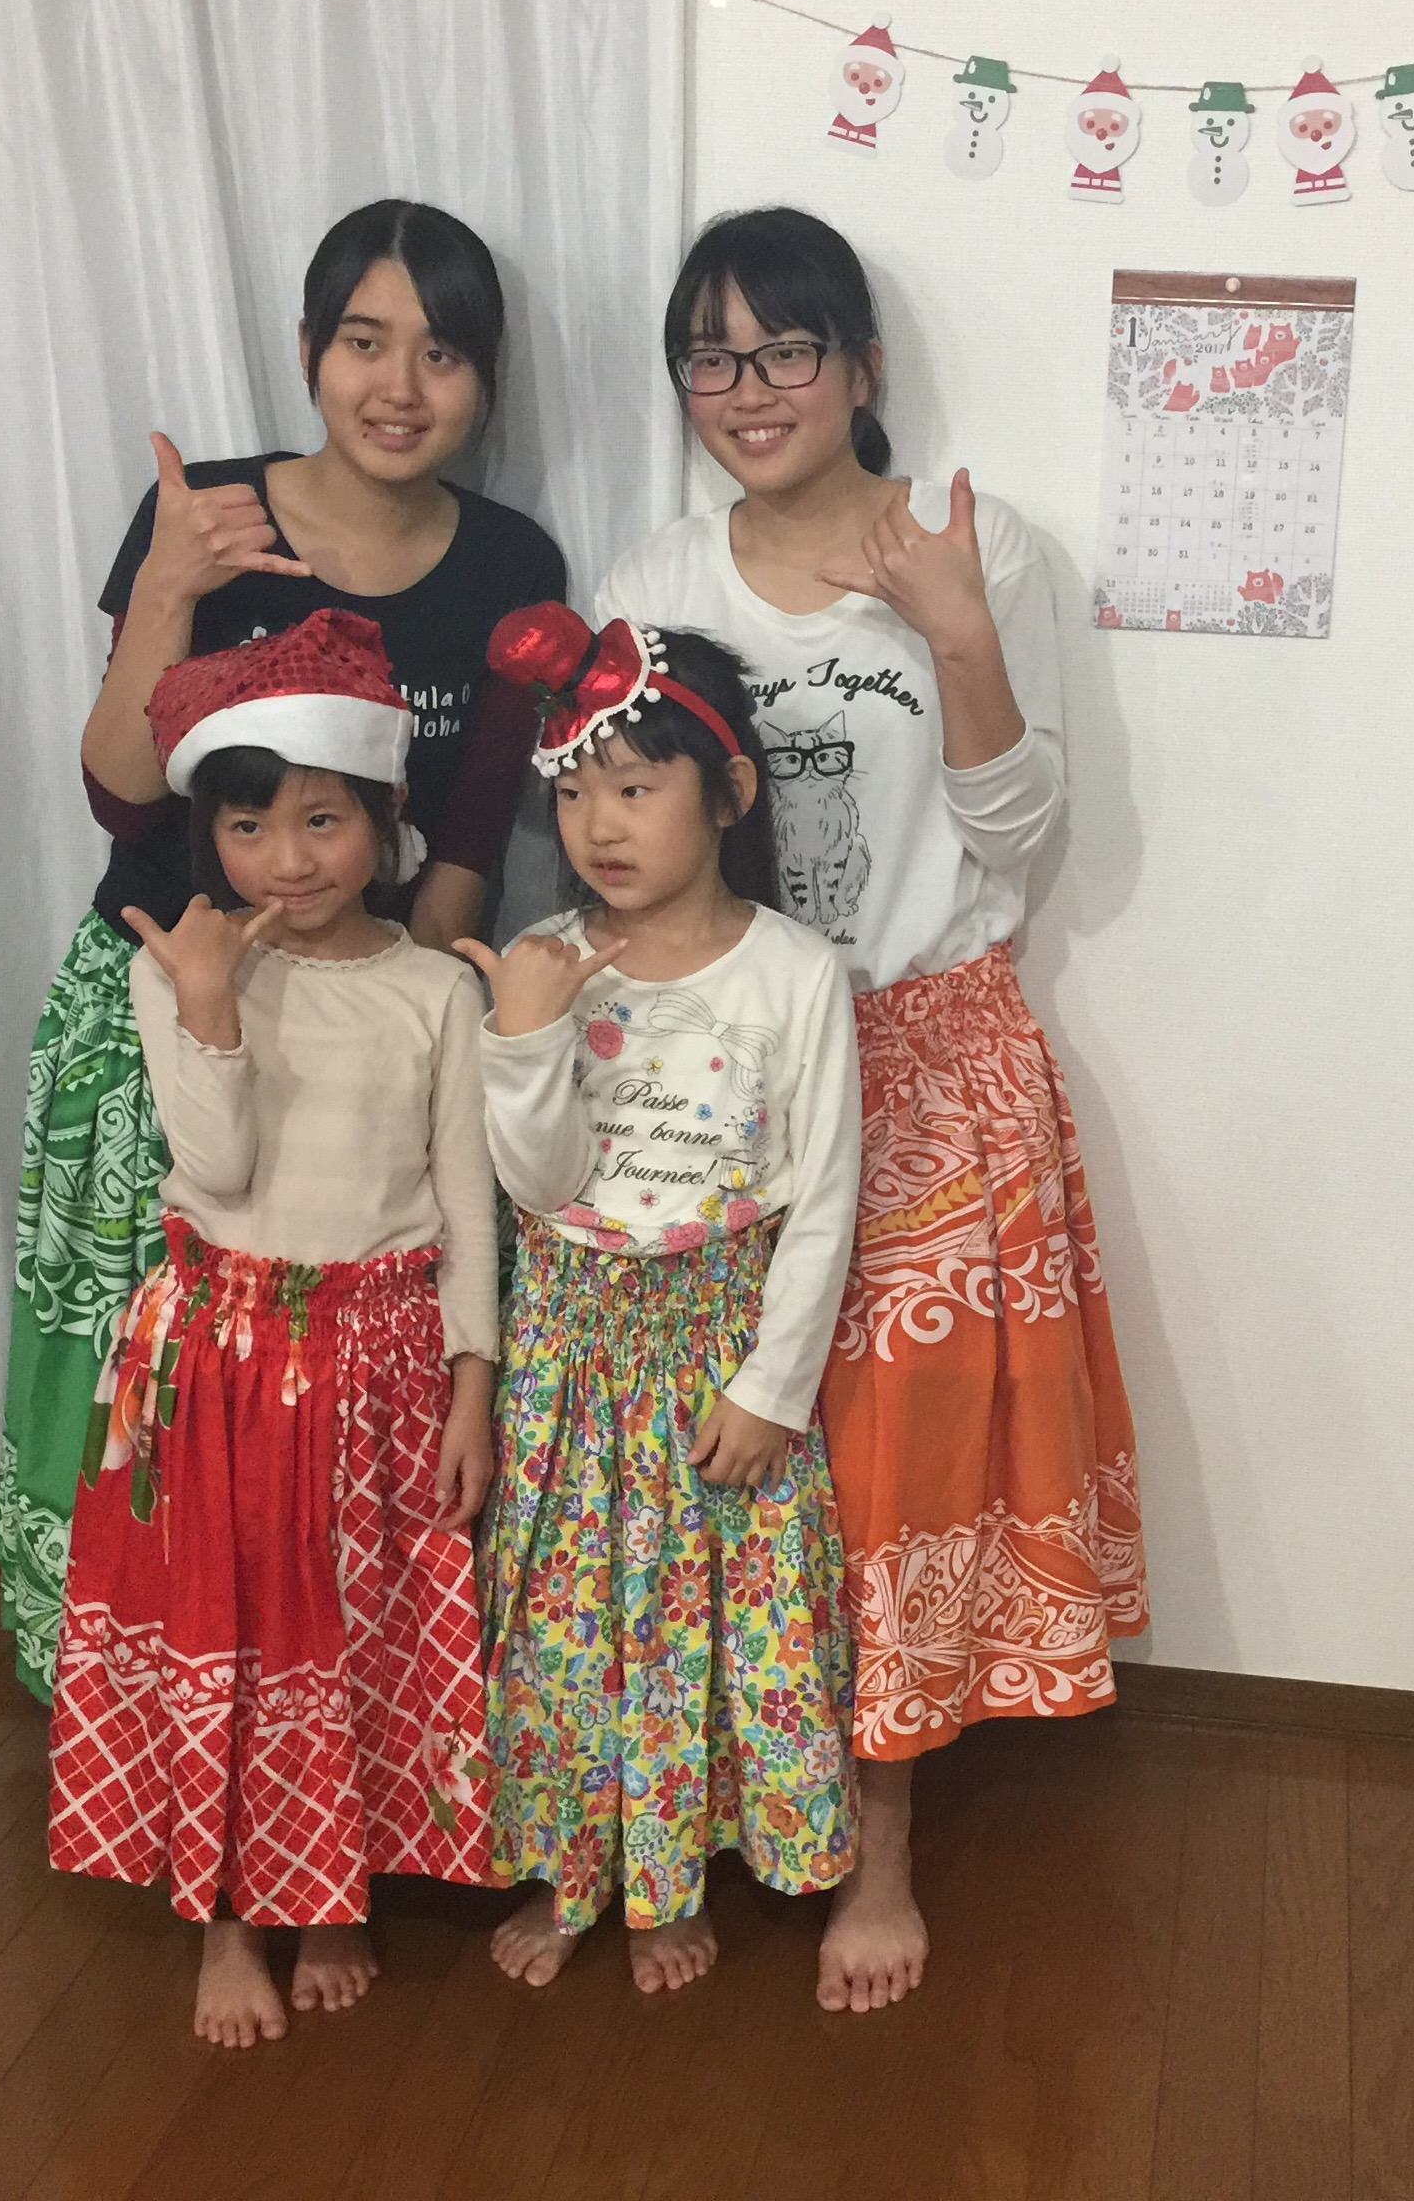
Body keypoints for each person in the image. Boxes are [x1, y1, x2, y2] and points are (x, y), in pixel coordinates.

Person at [600, 208, 1146, 2013]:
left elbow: (1023, 842)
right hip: (713, 1060)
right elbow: (613, 831)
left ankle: (879, 1849)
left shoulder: (979, 544)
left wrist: (958, 630)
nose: (749, 390)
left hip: (925, 1052)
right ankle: (691, 1814)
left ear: (862, 366)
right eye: (712, 356)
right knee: (708, 1455)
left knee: (887, 1468)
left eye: (787, 349)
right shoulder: (656, 576)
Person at [0, 199, 563, 1702]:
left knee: (330, 1406)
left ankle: (325, 1714)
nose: (399, 387)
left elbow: (468, 840)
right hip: (170, 988)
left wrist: (399, 1022)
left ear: (485, 377)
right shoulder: (212, 516)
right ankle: (122, 1700)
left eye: (442, 353)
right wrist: (171, 585)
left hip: (376, 1024)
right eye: (363, 342)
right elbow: (123, 793)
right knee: (137, 1379)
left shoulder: (511, 563)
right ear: (309, 349)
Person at [42, 610, 500, 2047]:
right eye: (249, 827)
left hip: (380, 1363)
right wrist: (207, 1008)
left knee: (348, 1636)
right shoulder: (181, 970)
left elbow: (467, 1205)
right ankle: (227, 1915)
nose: (288, 860)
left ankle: (332, 1887)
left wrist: (471, 1387)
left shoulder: (438, 990)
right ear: (209, 835)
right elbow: (220, 1167)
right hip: (215, 1359)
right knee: (219, 1631)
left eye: (321, 820)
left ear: (385, 815)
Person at [458, 604, 861, 1996]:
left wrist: (771, 1388)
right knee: (567, 1631)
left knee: (711, 1632)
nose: (599, 827)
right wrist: (526, 1037)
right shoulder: (545, 957)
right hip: (570, 1354)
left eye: (634, 789)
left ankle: (673, 1875)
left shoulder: (797, 973)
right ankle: (573, 1867)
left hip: (718, 1349)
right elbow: (536, 1182)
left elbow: (823, 1198)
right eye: (572, 795)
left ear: (727, 790)